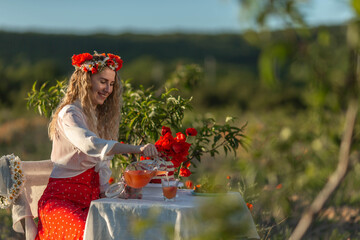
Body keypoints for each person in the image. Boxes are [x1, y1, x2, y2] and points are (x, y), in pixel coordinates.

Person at [35, 52, 158, 240]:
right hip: (61, 202)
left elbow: (100, 168)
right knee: (88, 234)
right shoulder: (70, 113)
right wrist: (138, 149)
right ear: (86, 80)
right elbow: (90, 145)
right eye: (103, 81)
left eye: (111, 84)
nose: (108, 89)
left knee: (125, 229)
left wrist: (119, 192)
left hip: (92, 202)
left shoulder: (98, 118)